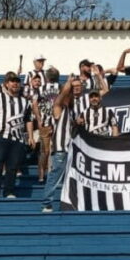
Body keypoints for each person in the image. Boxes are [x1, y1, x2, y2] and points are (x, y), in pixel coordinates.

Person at [0, 72, 36, 198]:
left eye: (17, 82)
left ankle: (9, 191)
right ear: (7, 84)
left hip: (17, 138)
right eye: (12, 81)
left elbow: (28, 120)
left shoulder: (25, 102)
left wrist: (30, 136)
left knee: (13, 166)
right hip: (1, 135)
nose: (15, 84)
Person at [42, 74, 75, 213]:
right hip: (61, 149)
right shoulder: (58, 108)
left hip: (71, 149)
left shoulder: (71, 111)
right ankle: (47, 203)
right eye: (69, 94)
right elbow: (59, 100)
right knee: (55, 177)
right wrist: (68, 84)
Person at [74, 66, 117, 136]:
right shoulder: (83, 112)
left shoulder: (107, 111)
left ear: (100, 98)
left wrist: (99, 75)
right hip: (90, 141)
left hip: (104, 141)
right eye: (92, 97)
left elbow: (106, 90)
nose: (94, 98)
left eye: (96, 96)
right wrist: (77, 122)